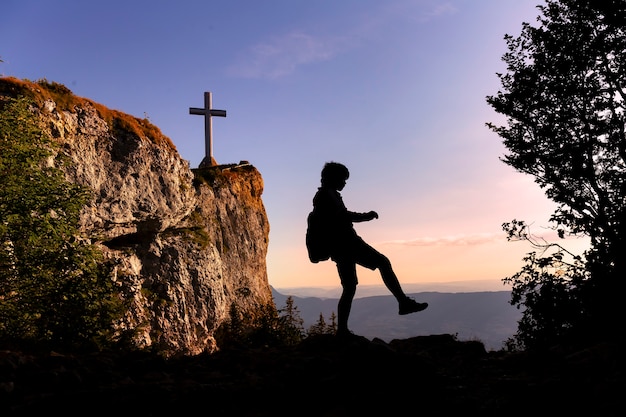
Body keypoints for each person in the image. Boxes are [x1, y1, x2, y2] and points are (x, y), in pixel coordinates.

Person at [306, 161, 428, 338]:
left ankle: (342, 331)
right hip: (347, 243)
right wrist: (367, 216)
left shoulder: (325, 195)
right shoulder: (327, 196)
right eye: (343, 179)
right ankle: (403, 302)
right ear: (334, 178)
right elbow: (343, 216)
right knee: (382, 262)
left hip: (340, 247)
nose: (344, 183)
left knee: (349, 287)